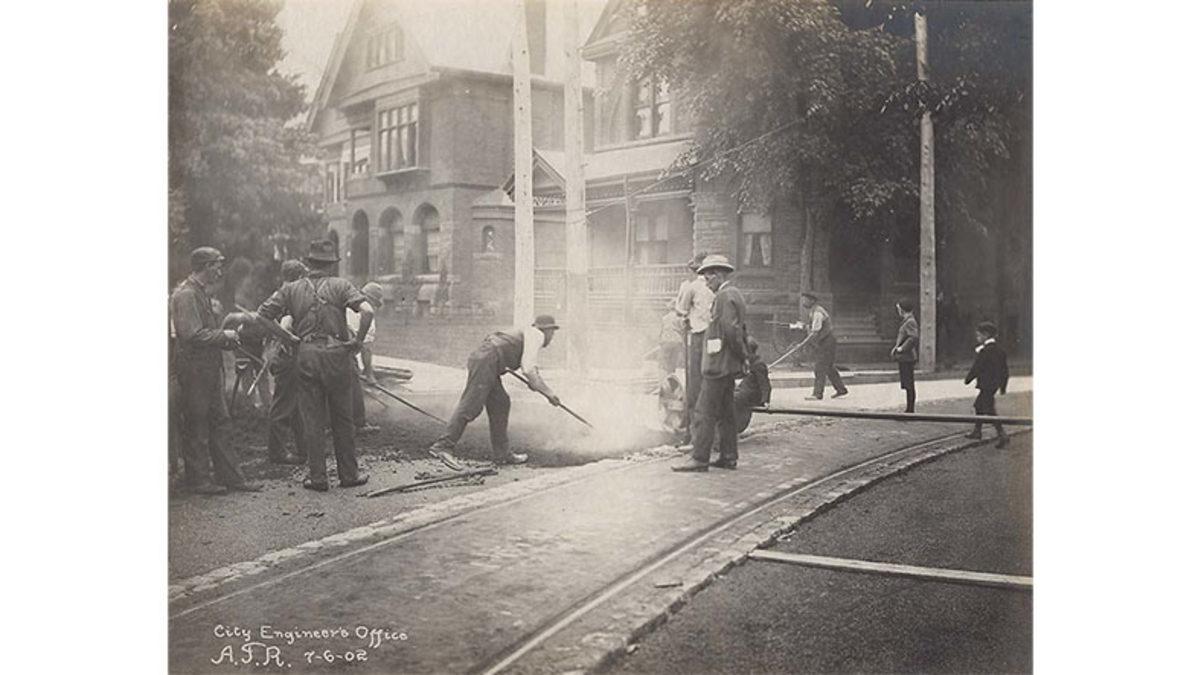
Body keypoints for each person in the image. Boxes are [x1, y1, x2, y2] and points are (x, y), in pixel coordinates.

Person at [256, 239, 375, 491]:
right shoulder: (342, 285)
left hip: (307, 355)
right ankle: (349, 475)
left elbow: (262, 315)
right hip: (336, 355)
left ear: (309, 263)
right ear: (332, 264)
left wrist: (286, 336)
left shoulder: (291, 289)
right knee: (343, 418)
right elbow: (368, 311)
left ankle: (318, 477)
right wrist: (357, 341)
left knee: (313, 419)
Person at [170, 247, 262, 494]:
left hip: (207, 369)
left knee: (221, 422)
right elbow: (191, 334)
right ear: (206, 266)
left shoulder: (199, 292)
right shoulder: (186, 295)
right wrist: (224, 335)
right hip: (194, 371)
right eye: (216, 265)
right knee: (197, 424)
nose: (220, 271)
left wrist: (225, 337)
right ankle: (199, 481)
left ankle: (232, 478)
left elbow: (203, 331)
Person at [428, 315, 564, 470]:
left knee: (501, 403)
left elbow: (528, 369)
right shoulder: (536, 334)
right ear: (545, 330)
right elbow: (528, 368)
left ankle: (502, 453)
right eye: (552, 332)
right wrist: (548, 393)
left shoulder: (528, 334)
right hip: (487, 360)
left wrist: (536, 383)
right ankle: (442, 446)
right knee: (471, 404)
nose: (552, 337)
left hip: (489, 361)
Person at [673, 255, 747, 472]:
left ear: (719, 274)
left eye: (708, 278)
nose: (707, 282)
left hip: (718, 365)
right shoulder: (734, 294)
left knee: (704, 411)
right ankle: (728, 456)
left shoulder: (724, 296)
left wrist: (740, 356)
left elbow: (731, 331)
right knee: (726, 412)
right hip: (726, 364)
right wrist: (740, 359)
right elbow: (738, 330)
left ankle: (699, 458)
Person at [264, 259, 308, 465]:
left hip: (287, 355)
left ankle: (303, 449)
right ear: (299, 277)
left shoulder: (285, 293)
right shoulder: (288, 293)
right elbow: (280, 321)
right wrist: (287, 336)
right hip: (286, 355)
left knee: (297, 404)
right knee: (282, 405)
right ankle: (277, 452)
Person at [674, 252, 714, 446]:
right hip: (715, 338)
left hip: (698, 338)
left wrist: (685, 313)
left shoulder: (692, 287)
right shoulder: (719, 289)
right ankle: (711, 434)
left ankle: (693, 436)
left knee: (694, 387)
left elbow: (680, 310)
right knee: (712, 384)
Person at [791, 292, 848, 400]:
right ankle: (841, 389)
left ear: (812, 301)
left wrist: (802, 344)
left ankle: (817, 394)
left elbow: (815, 332)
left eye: (806, 300)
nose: (803, 302)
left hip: (827, 342)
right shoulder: (813, 311)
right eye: (803, 299)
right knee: (829, 368)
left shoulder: (817, 312)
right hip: (825, 342)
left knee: (820, 368)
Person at [964, 320, 1010, 448]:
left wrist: (968, 378)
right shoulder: (1000, 350)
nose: (977, 338)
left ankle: (1002, 435)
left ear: (985, 335)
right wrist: (1003, 386)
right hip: (993, 385)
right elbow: (1004, 371)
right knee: (979, 405)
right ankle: (977, 431)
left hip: (986, 384)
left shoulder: (985, 351)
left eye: (979, 335)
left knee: (989, 409)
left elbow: (977, 367)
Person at [349, 281, 385, 434]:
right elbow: (366, 348)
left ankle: (329, 424)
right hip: (343, 353)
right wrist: (369, 374)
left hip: (327, 349)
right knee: (355, 387)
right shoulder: (366, 313)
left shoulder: (347, 305)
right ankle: (359, 423)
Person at [733, 336, 772, 434]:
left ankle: (735, 426)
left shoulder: (759, 365)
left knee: (735, 398)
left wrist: (766, 400)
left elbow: (765, 384)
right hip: (744, 392)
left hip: (753, 394)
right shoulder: (746, 363)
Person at [891, 298, 920, 413]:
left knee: (909, 384)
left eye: (899, 308)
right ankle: (909, 408)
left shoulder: (910, 321)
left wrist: (902, 348)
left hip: (907, 357)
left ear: (903, 309)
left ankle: (910, 409)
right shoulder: (907, 321)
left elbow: (913, 337)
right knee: (907, 383)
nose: (898, 311)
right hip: (905, 357)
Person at [658, 299, 685, 375]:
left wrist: (660, 341)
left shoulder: (665, 318)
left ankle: (664, 381)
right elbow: (682, 330)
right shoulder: (679, 319)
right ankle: (671, 377)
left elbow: (661, 330)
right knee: (673, 362)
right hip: (677, 340)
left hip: (666, 340)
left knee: (664, 362)